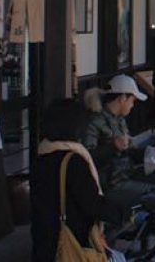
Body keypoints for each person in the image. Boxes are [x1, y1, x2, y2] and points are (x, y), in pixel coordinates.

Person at [32, 99, 124, 262]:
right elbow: (91, 203)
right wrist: (120, 214)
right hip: (72, 241)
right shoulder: (73, 161)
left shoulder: (42, 156)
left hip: (45, 240)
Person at [82, 74, 155, 211]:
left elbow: (129, 150)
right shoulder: (94, 121)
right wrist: (113, 147)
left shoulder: (119, 119)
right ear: (122, 98)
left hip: (127, 173)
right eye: (132, 101)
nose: (132, 106)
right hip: (111, 184)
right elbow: (86, 158)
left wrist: (154, 150)